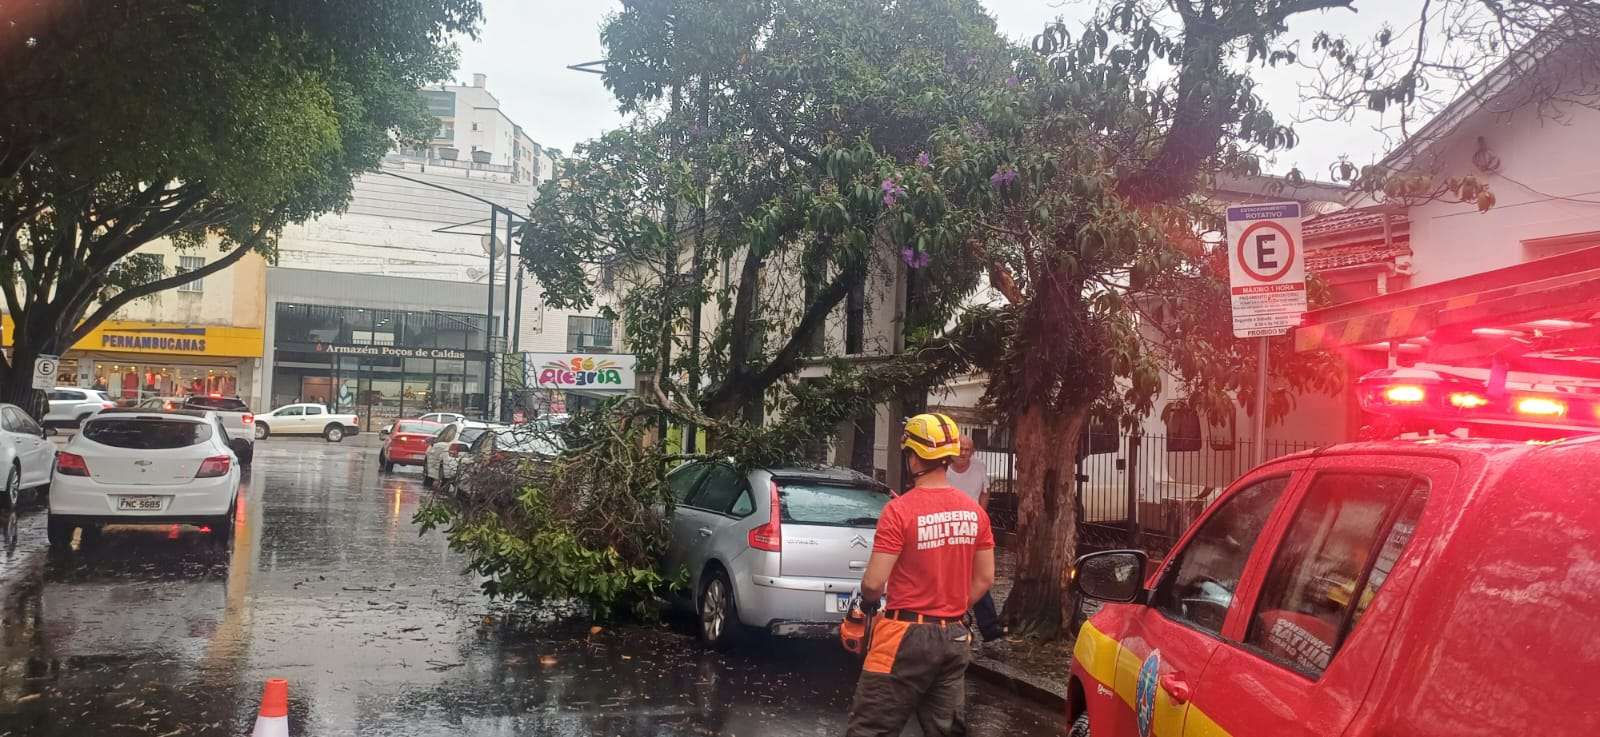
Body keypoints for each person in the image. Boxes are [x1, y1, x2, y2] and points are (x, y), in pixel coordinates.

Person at [844, 413, 996, 737]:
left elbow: (873, 583)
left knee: (869, 730)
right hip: (955, 635)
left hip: (903, 635)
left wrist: (866, 605)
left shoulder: (900, 511)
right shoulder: (975, 513)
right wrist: (951, 607)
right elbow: (985, 578)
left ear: (913, 456)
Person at [946, 435, 1004, 641]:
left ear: (973, 452)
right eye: (960, 449)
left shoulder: (979, 467)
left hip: (972, 527)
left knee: (979, 576)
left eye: (967, 449)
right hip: (948, 529)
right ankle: (954, 621)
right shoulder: (943, 469)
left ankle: (988, 626)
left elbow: (985, 492)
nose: (963, 453)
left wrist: (980, 516)